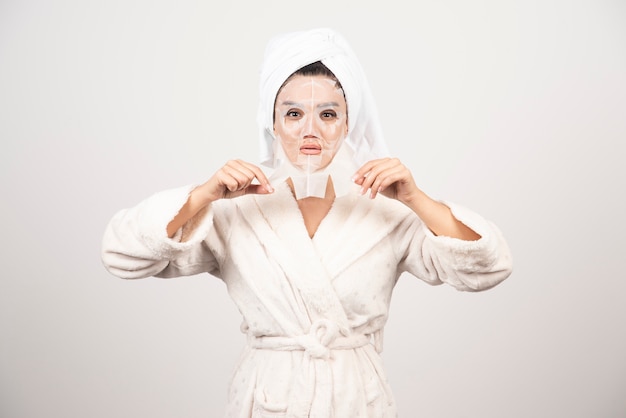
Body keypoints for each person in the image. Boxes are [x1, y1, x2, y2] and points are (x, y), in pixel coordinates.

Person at [101, 27, 513, 418]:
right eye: (294, 113)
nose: (310, 131)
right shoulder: (236, 208)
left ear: (348, 123)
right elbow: (123, 256)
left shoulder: (387, 208)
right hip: (269, 397)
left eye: (328, 114)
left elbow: (488, 266)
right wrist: (203, 195)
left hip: (355, 398)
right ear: (273, 122)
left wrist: (414, 198)